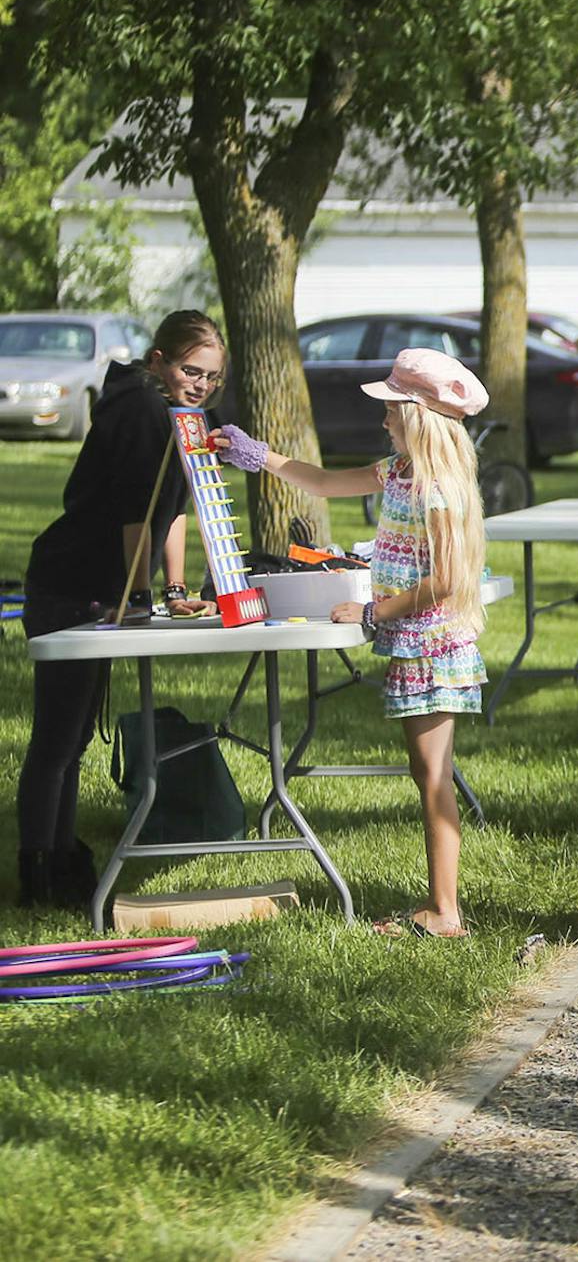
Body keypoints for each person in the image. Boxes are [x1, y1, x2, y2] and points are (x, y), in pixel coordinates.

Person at [217, 350, 490, 937]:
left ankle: (445, 912)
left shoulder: (438, 489)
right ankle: (444, 908)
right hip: (417, 643)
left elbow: (444, 578)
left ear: (417, 417)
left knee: (433, 774)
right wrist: (260, 456)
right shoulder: (399, 473)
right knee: (428, 772)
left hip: (432, 645)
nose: (384, 421)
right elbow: (320, 482)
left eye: (391, 411)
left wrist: (375, 609)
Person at [14, 311, 224, 909]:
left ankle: (59, 857)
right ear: (159, 359)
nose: (201, 384)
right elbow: (138, 512)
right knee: (59, 738)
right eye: (191, 370)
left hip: (103, 588)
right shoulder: (139, 409)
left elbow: (171, 507)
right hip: (70, 582)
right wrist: (136, 600)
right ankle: (38, 875)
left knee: (76, 735)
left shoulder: (180, 414)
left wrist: (175, 589)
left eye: (211, 376)